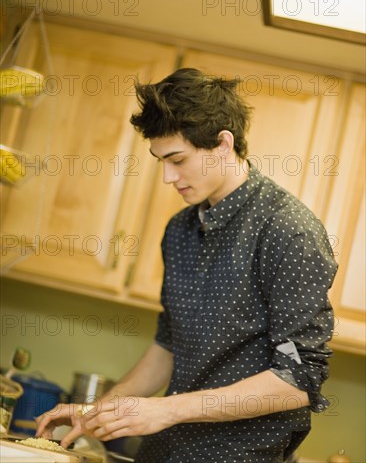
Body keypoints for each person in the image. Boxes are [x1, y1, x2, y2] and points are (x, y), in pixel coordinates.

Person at [36, 68, 337, 463]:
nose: (167, 176)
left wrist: (163, 410)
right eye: (161, 160)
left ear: (223, 144)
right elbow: (168, 346)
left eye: (178, 159)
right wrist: (99, 412)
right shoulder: (180, 229)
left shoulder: (288, 231)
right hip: (165, 451)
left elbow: (297, 379)